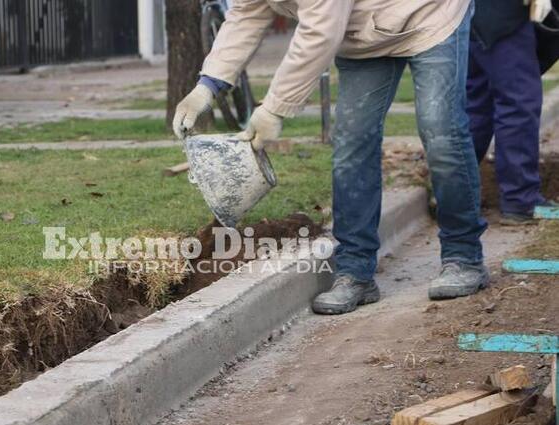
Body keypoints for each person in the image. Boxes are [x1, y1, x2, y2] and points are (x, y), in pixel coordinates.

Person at [173, 0, 489, 315]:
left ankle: (464, 258)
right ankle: (355, 273)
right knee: (352, 143)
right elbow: (245, 14)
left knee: (440, 131)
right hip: (363, 33)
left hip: (431, 14)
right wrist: (208, 85)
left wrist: (274, 108)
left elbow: (320, 31)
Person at [468, 0, 556, 225]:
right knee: (518, 100)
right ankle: (521, 200)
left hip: (469, 14)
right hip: (503, 12)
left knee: (477, 102)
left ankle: (453, 197)